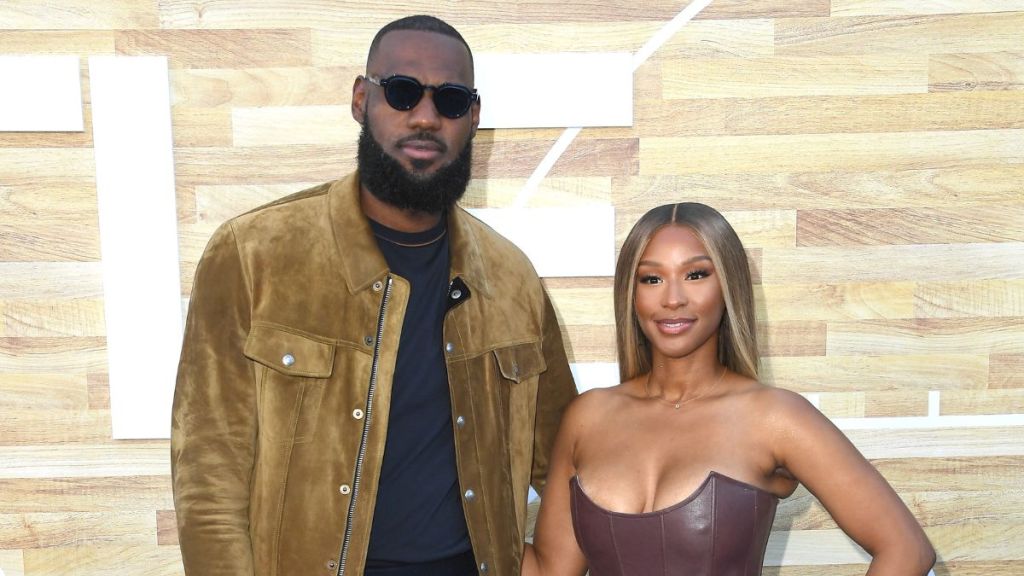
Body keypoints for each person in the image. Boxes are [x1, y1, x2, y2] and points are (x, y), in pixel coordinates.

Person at [171, 15, 577, 576]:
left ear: (474, 117)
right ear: (362, 99)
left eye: (451, 101)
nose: (426, 116)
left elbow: (565, 463)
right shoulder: (253, 254)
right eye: (403, 92)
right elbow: (208, 480)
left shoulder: (510, 277)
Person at [523, 203, 935, 576]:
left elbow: (906, 549)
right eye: (651, 278)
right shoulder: (588, 417)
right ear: (631, 295)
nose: (673, 299)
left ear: (728, 286)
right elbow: (549, 571)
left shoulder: (774, 417)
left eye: (696, 274)